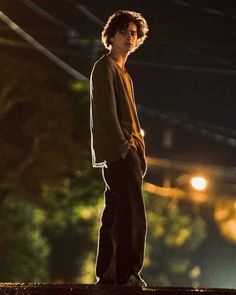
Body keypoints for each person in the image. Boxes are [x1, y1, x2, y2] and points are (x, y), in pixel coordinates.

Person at [90, 10, 149, 286]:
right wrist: (123, 149)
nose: (130, 37)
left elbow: (131, 119)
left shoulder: (124, 73)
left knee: (116, 211)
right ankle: (126, 272)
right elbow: (107, 114)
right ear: (111, 36)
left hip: (128, 151)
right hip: (120, 152)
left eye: (134, 33)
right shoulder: (105, 67)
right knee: (130, 213)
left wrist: (137, 150)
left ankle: (110, 272)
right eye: (124, 32)